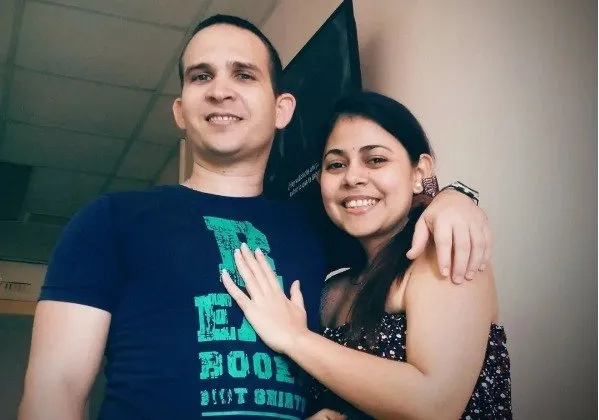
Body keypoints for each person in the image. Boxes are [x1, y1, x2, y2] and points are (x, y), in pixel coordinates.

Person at [18, 15, 493, 420]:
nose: (220, 90)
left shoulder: (322, 229)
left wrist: (454, 197)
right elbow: (56, 388)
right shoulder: (109, 221)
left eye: (243, 75)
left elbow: (390, 232)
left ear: (282, 109)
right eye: (201, 76)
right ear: (181, 111)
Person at [222, 91, 512, 419]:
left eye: (375, 160)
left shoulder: (446, 250)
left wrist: (295, 338)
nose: (353, 177)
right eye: (336, 165)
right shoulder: (332, 290)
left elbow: (434, 404)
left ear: (420, 172)